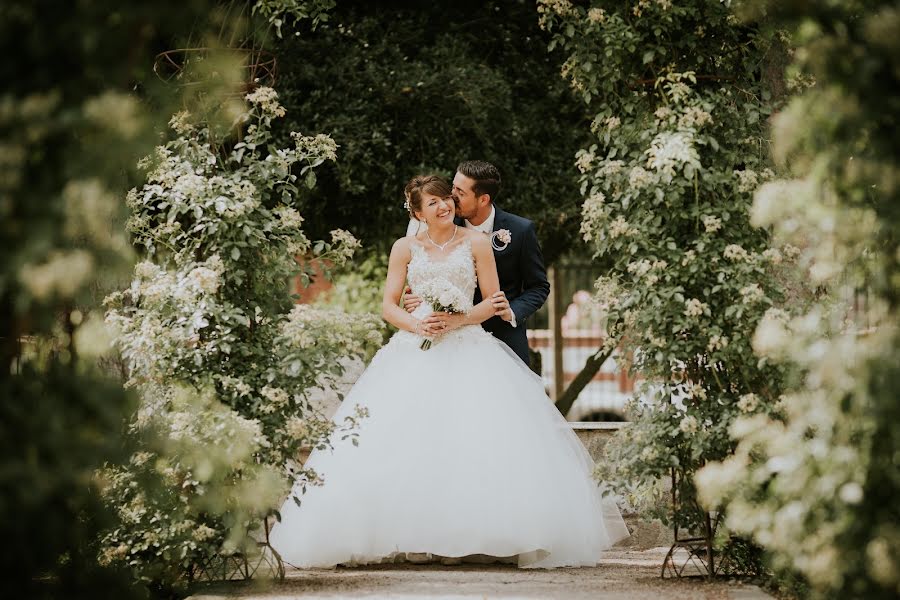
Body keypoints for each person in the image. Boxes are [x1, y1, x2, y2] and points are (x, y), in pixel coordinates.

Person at [270, 175, 628, 569]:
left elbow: (494, 301)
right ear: (418, 212)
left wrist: (457, 321)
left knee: (474, 440)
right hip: (416, 349)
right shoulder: (404, 248)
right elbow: (389, 306)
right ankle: (416, 538)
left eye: (446, 199)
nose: (444, 206)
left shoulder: (476, 243)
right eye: (434, 202)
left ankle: (472, 540)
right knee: (409, 441)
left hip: (469, 345)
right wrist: (417, 324)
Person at [403, 161, 550, 365]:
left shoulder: (520, 231)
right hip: (448, 339)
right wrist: (415, 297)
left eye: (460, 192)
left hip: (503, 335)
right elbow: (423, 267)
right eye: (453, 187)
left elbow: (539, 286)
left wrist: (512, 311)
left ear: (483, 199)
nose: (451, 195)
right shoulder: (442, 222)